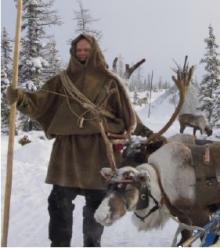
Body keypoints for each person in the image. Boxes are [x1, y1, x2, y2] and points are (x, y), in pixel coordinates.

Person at [7, 34, 155, 247]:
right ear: (74, 52)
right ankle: (59, 244)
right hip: (68, 151)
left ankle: (92, 244)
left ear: (94, 51)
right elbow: (40, 102)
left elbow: (129, 116)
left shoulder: (111, 81)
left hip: (99, 151)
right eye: (79, 50)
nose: (83, 54)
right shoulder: (62, 80)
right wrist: (20, 98)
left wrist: (151, 135)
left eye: (86, 50)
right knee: (59, 202)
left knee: (96, 205)